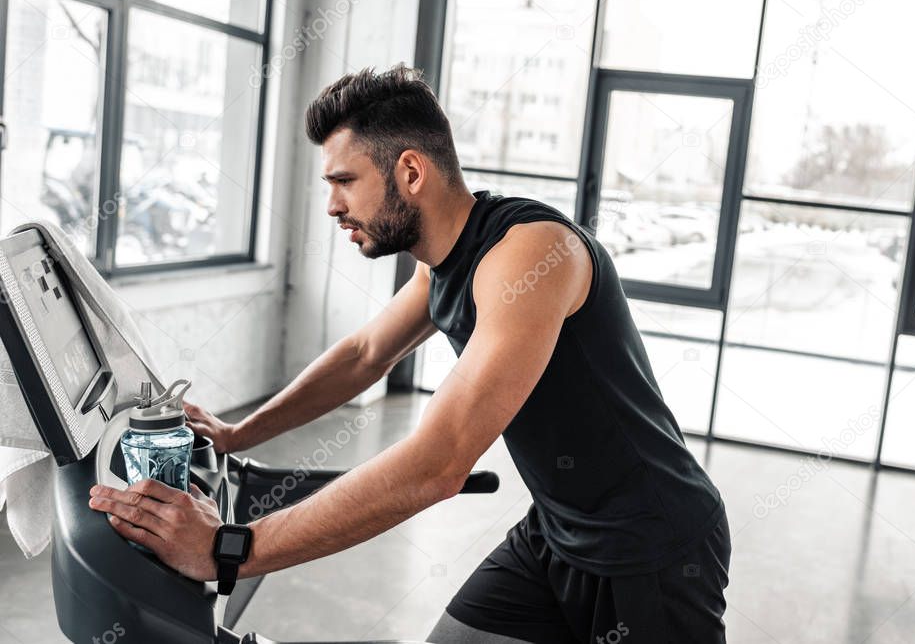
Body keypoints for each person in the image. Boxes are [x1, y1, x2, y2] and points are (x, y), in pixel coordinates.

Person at [88, 64, 730, 643]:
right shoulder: (446, 259)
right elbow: (365, 354)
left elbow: (438, 462)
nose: (333, 206)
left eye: (344, 181)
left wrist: (230, 548)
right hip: (558, 531)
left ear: (411, 172)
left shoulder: (531, 255)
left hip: (655, 544)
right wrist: (236, 433)